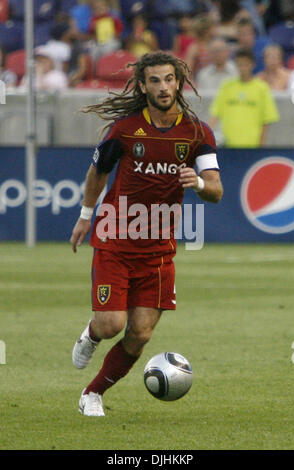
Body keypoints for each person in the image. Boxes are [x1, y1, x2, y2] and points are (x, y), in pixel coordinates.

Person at [70, 51, 223, 417]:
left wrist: (199, 181)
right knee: (111, 324)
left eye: (169, 79)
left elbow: (216, 190)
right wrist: (85, 215)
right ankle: (91, 334)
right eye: (154, 80)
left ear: (179, 82)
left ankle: (92, 394)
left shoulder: (197, 132)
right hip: (115, 239)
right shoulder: (124, 129)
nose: (163, 87)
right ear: (143, 85)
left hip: (158, 250)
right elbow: (98, 173)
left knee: (139, 334)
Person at [208, 48, 279, 147]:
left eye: (245, 64)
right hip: (229, 145)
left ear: (252, 65)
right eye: (239, 64)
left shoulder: (262, 88)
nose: (242, 68)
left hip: (253, 146)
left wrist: (262, 145)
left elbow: (266, 121)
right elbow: (215, 115)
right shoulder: (227, 87)